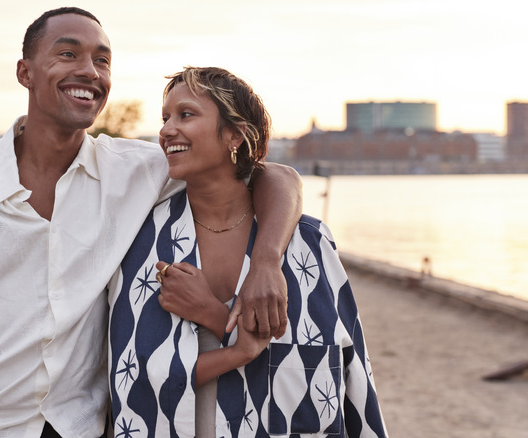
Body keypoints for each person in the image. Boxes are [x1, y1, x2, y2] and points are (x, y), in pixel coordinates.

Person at [0, 8, 302, 438]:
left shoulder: (136, 171)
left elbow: (274, 176)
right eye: (68, 54)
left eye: (102, 60)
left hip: (78, 429)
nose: (90, 71)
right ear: (25, 72)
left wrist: (266, 261)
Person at [108, 67, 388, 437]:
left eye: (186, 115)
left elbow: (344, 370)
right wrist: (237, 348)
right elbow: (134, 376)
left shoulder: (308, 242)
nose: (166, 130)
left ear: (235, 135)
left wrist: (213, 313)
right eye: (165, 118)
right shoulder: (144, 242)